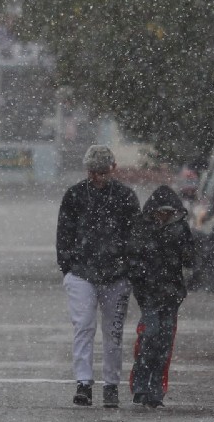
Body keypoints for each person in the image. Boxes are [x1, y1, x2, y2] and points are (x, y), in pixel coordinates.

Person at [56, 144, 141, 408]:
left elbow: (135, 236)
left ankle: (111, 385)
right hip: (83, 272)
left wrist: (127, 266)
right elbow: (64, 234)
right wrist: (68, 266)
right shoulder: (75, 195)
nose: (98, 178)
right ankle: (84, 382)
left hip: (114, 273)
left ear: (112, 169)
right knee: (84, 326)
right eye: (94, 172)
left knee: (112, 332)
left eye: (102, 172)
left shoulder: (125, 197)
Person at [126, 184, 194, 408]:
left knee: (163, 342)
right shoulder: (143, 229)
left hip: (170, 295)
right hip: (152, 295)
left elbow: (190, 261)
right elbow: (134, 260)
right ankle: (141, 386)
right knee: (150, 338)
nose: (164, 216)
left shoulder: (179, 230)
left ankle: (154, 389)